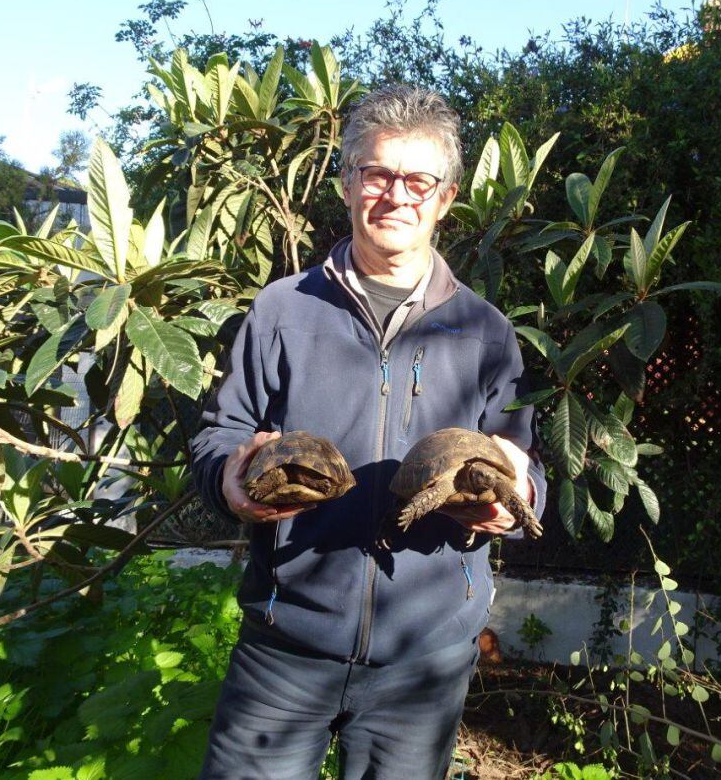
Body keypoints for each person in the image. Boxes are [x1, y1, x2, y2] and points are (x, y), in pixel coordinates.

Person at [192, 83, 546, 779]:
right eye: (377, 174)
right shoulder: (281, 310)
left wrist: (515, 496)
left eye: (418, 180)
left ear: (445, 198)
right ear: (348, 184)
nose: (396, 195)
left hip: (424, 661)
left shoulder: (486, 332)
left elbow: (528, 472)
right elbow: (217, 438)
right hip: (285, 647)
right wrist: (232, 479)